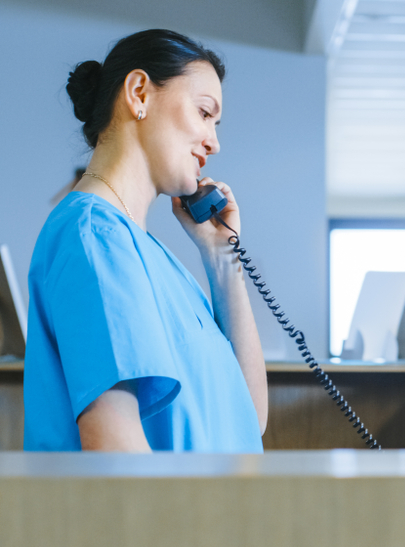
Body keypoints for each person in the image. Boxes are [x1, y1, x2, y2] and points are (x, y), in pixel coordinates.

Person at [22, 29, 267, 452]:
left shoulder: (148, 254)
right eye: (205, 113)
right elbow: (117, 451)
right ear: (138, 93)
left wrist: (221, 257)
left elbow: (250, 417)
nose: (214, 141)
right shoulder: (94, 239)